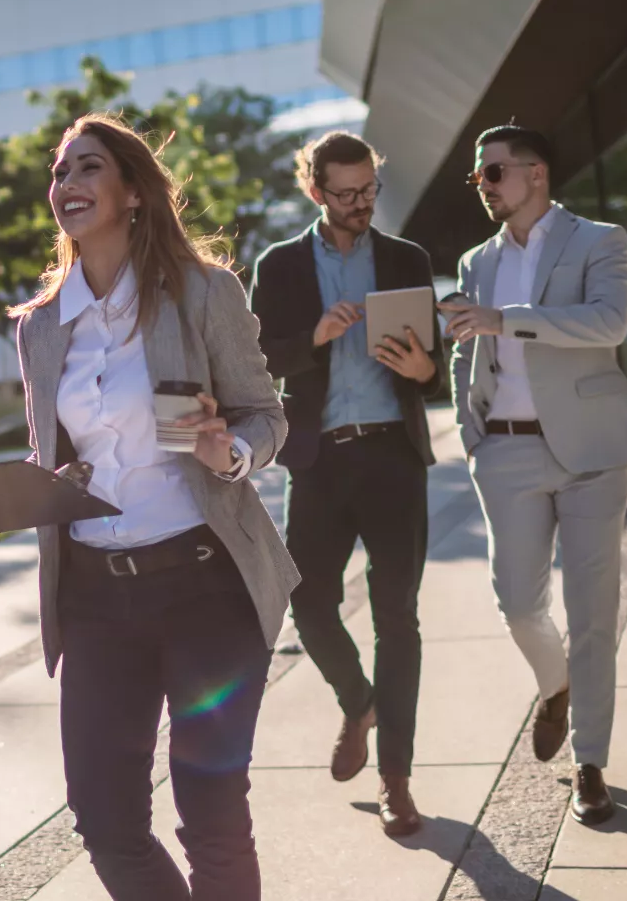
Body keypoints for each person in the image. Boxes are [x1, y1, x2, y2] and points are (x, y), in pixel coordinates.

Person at [8, 113, 296, 900]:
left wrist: (227, 451)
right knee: (103, 819)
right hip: (98, 595)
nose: (67, 184)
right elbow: (56, 456)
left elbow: (265, 416)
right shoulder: (38, 330)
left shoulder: (203, 292)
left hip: (206, 582)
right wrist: (40, 481)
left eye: (88, 168)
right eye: (60, 171)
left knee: (210, 810)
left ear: (133, 191)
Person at [440, 124, 627, 827]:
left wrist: (508, 319)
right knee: (516, 601)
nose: (484, 186)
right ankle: (554, 682)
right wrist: (470, 430)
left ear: (534, 173)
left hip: (592, 449)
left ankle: (589, 762)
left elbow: (610, 323)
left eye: (493, 173)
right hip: (504, 451)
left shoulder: (599, 240)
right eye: (477, 178)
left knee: (593, 611)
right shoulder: (475, 259)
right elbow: (467, 345)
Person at [248, 131, 442, 837]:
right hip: (320, 461)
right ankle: (359, 702)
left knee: (399, 618)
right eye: (346, 193)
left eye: (369, 191)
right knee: (308, 601)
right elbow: (262, 356)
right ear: (315, 191)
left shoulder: (406, 259)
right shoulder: (281, 266)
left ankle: (396, 778)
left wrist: (422, 368)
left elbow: (436, 369)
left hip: (394, 456)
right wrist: (317, 339)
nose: (361, 204)